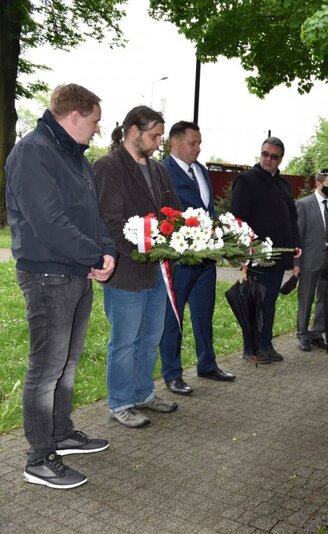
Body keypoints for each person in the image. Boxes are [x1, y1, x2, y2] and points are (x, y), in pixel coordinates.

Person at [5, 84, 117, 489]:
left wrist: (106, 251)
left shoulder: (74, 156)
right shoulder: (33, 152)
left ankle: (61, 434)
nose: (97, 129)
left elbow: (92, 214)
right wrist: (93, 256)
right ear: (74, 117)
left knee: (67, 363)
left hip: (76, 271)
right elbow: (48, 222)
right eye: (94, 121)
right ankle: (38, 458)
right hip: (48, 273)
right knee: (46, 368)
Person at [94, 106, 183, 428]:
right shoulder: (108, 167)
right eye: (154, 135)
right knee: (124, 341)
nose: (159, 141)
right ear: (133, 130)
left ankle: (143, 393)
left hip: (156, 270)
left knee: (151, 336)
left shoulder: (158, 170)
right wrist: (144, 248)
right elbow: (109, 222)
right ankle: (120, 402)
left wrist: (186, 235)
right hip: (126, 272)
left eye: (160, 135)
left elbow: (173, 211)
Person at [159, 121, 235, 396]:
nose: (197, 148)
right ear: (174, 143)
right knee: (174, 317)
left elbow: (208, 209)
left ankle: (207, 364)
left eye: (199, 143)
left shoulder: (201, 170)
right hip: (180, 260)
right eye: (192, 143)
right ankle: (172, 373)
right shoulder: (163, 172)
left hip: (206, 259)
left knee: (204, 314)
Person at [231, 136, 301, 364]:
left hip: (279, 255)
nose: (268, 159)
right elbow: (237, 220)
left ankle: (265, 344)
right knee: (255, 303)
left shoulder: (282, 183)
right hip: (257, 255)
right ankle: (250, 349)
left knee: (269, 301)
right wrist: (243, 252)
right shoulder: (246, 180)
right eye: (265, 154)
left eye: (274, 156)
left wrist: (295, 244)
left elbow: (292, 216)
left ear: (281, 159)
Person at [295, 169, 328, 351]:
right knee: (306, 298)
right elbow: (297, 236)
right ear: (318, 184)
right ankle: (302, 335)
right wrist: (296, 264)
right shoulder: (303, 204)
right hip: (309, 259)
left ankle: (317, 333)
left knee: (324, 298)